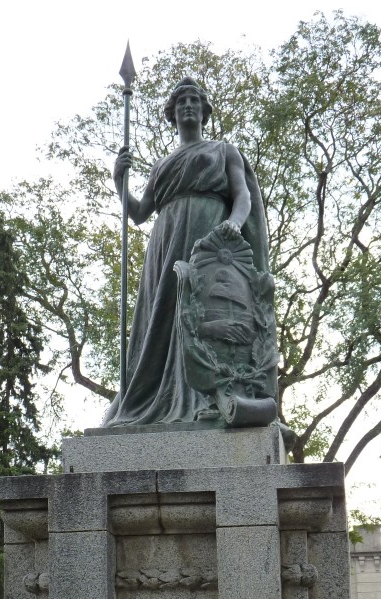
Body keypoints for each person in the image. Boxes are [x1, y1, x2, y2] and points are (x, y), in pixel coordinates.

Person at [103, 77, 269, 428]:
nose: (188, 105)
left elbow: (243, 196)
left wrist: (236, 224)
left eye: (195, 100)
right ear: (173, 113)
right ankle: (154, 397)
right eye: (181, 102)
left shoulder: (224, 151)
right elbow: (139, 214)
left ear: (205, 111)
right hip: (166, 242)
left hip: (209, 242)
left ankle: (205, 393)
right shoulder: (162, 166)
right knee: (161, 317)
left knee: (202, 313)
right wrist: (120, 183)